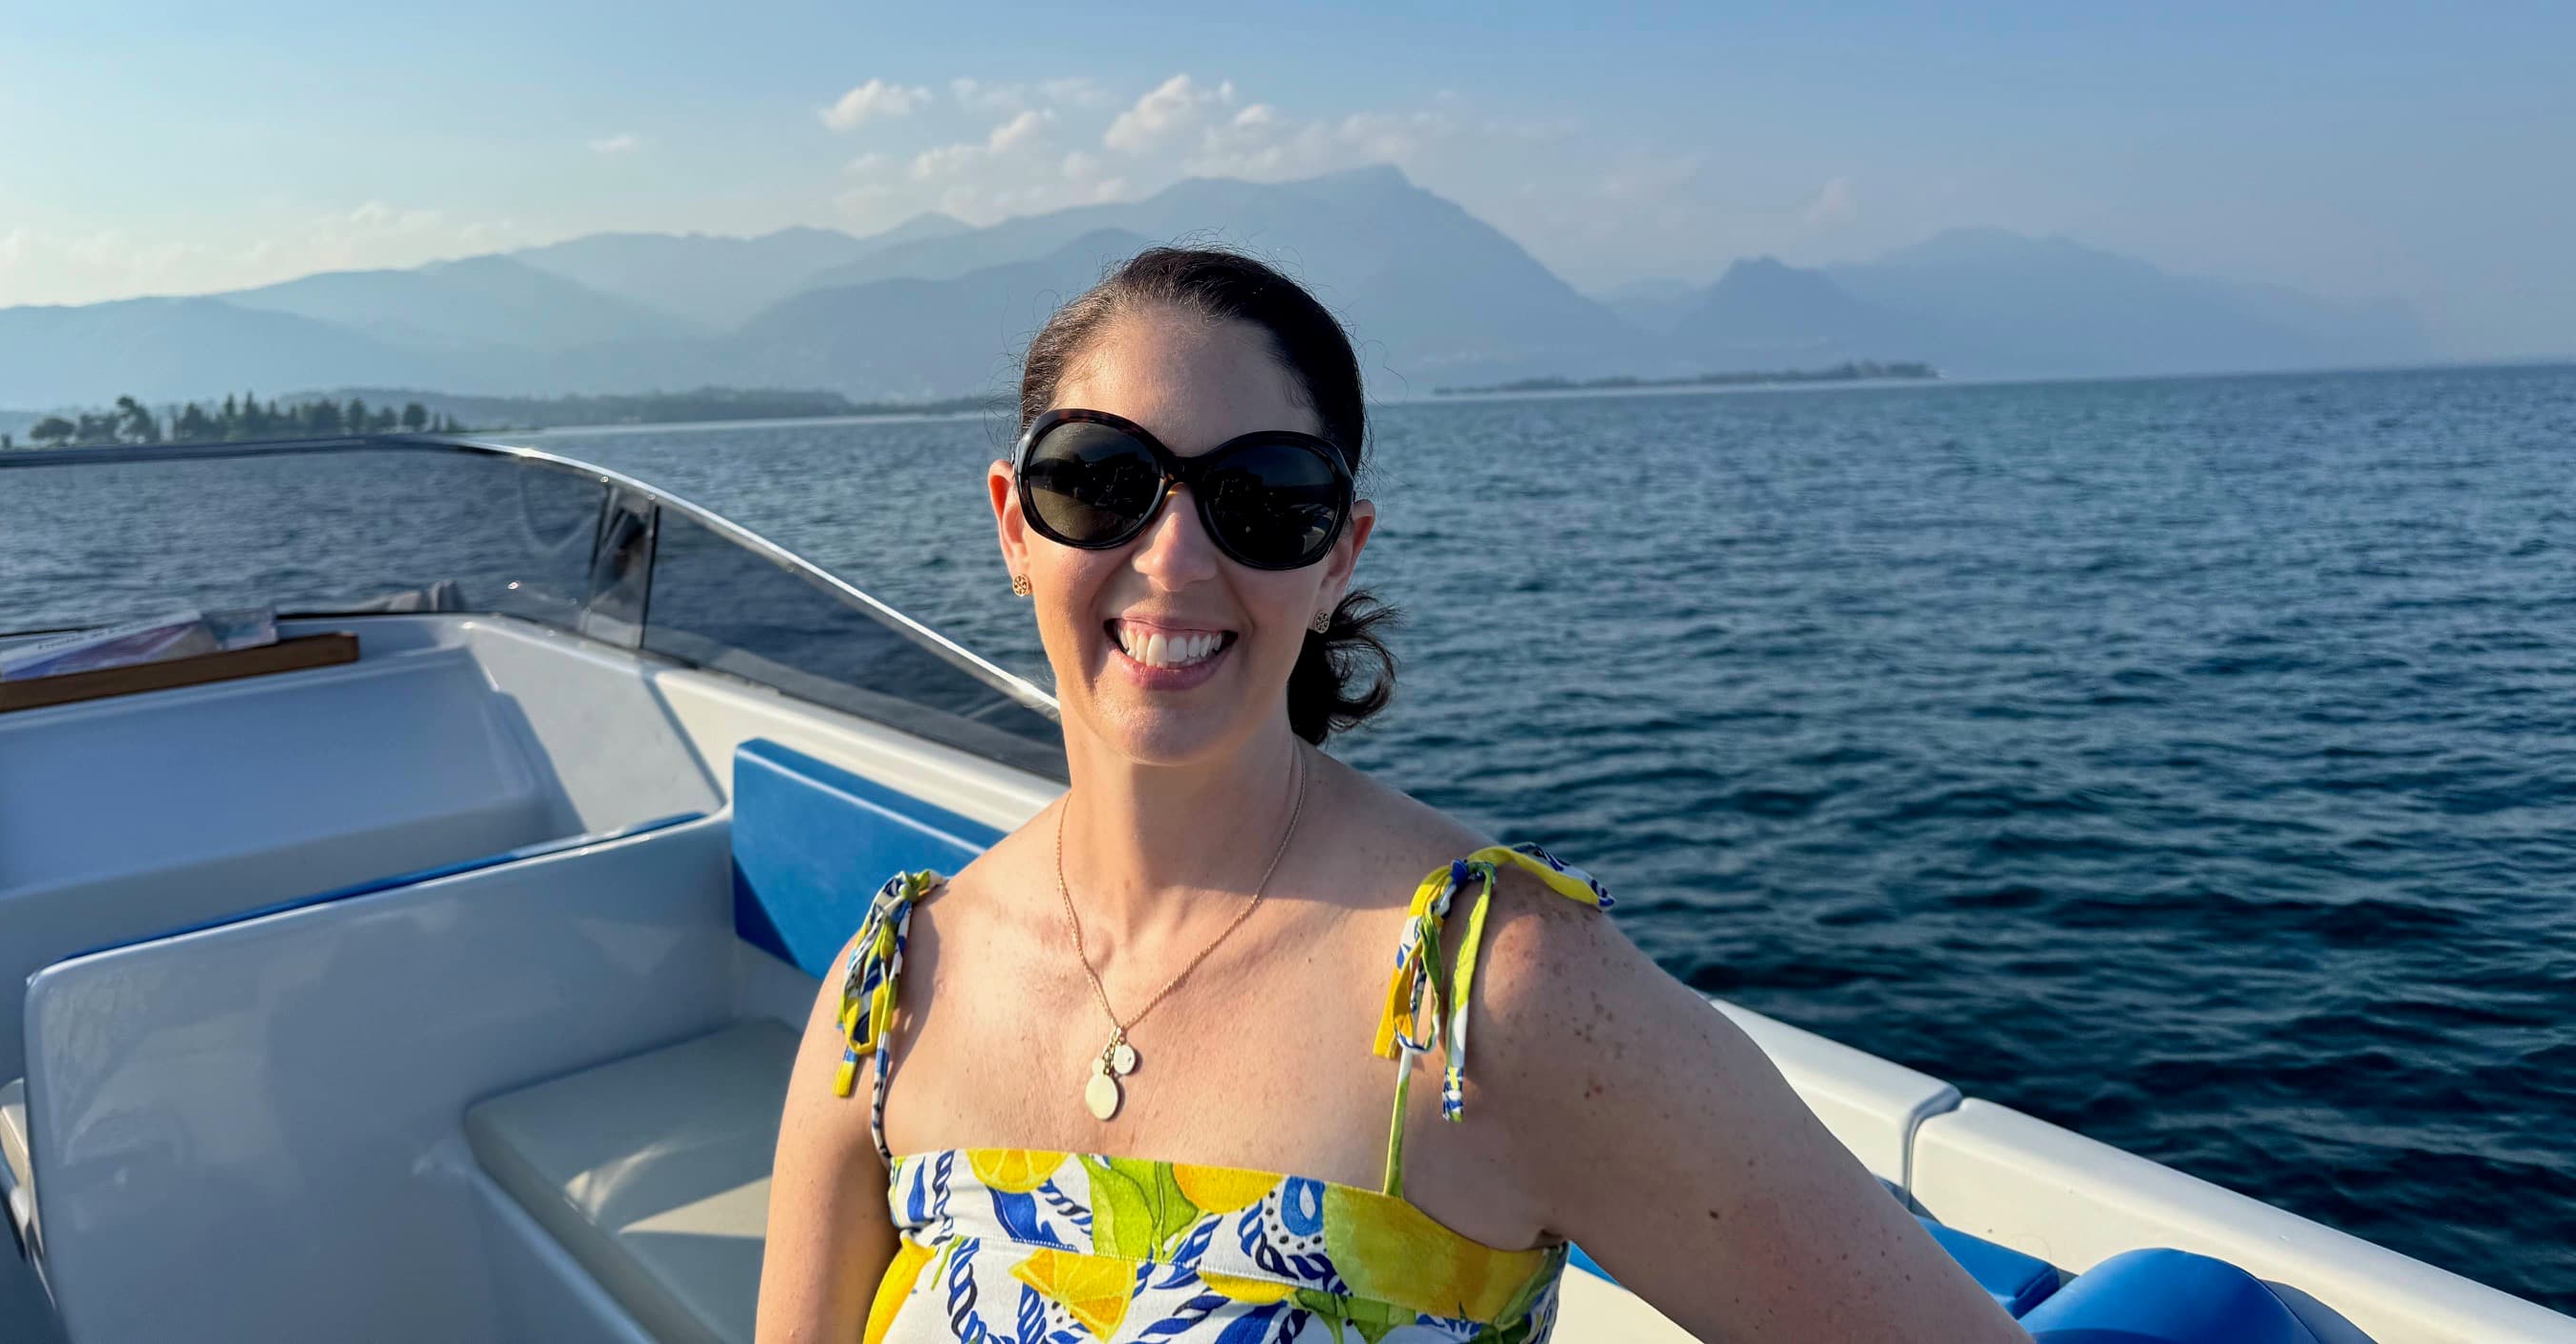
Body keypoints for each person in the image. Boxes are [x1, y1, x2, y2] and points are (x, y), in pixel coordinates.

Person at [758, 248, 2024, 1344]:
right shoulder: (892, 996)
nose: (1176, 555)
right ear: (1014, 523)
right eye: (1100, 479)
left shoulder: (1494, 1000)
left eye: (1266, 500)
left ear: (1337, 556)